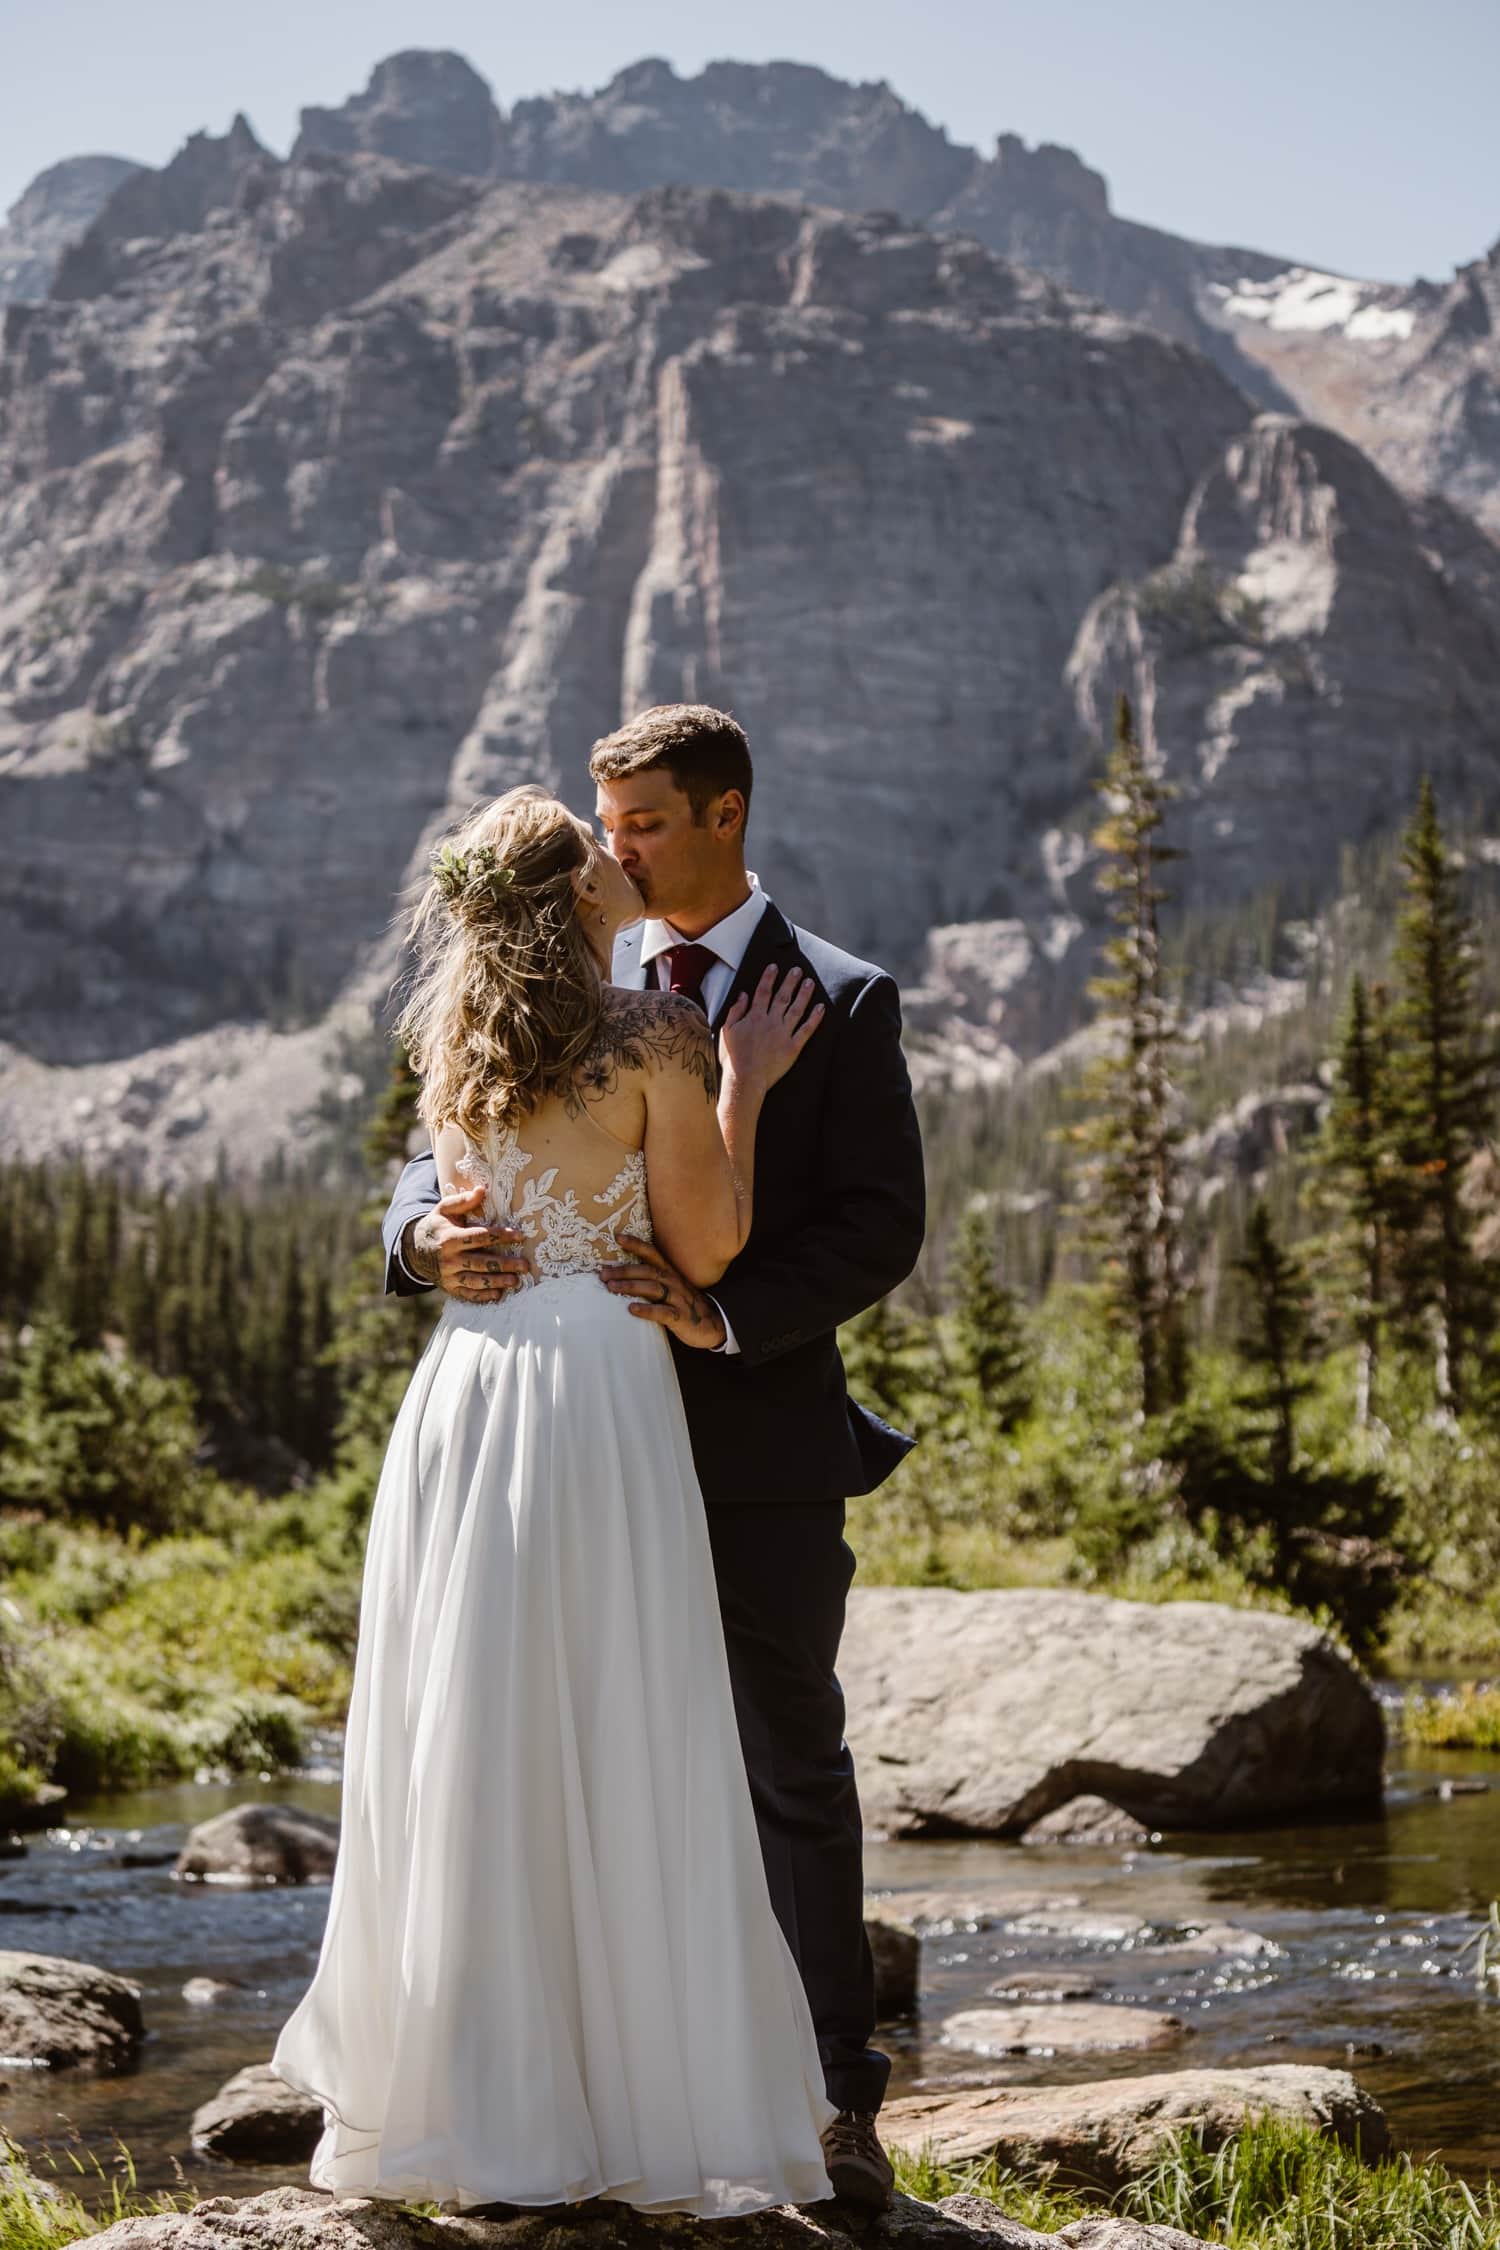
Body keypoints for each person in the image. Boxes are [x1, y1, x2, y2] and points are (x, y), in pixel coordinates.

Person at [382, 704, 927, 2208]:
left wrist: (725, 1315)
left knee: (782, 1767)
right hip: (560, 1446)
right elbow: (427, 1168)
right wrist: (424, 1236)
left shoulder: (839, 993)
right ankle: (597, 2091)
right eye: (604, 829)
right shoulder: (558, 978)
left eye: (643, 824)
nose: (616, 847)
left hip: (748, 1446)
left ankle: (829, 2102)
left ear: (726, 814)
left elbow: (882, 1221)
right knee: (554, 1757)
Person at [271, 781, 836, 2216]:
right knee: (618, 1712)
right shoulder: (658, 1032)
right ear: (580, 896)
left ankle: (479, 2110)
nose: (619, 848)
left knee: (478, 1724)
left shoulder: (455, 1035)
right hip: (596, 1384)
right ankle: (631, 2107)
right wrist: (744, 1090)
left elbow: (456, 1178)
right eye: (599, 843)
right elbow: (705, 1246)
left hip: (470, 1389)